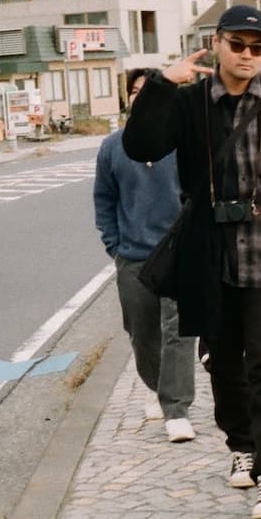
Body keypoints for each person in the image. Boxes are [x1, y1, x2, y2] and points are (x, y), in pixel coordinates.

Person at [124, 5, 261, 519]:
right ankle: (240, 442)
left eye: (257, 48)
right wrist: (159, 84)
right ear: (216, 43)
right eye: (237, 45)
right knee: (222, 362)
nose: (246, 55)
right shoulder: (191, 102)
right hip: (210, 255)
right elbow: (140, 145)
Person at [95, 67, 197, 442]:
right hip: (134, 255)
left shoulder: (183, 141)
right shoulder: (112, 147)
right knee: (141, 333)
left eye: (148, 89)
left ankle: (177, 408)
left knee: (180, 331)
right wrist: (114, 244)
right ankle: (158, 387)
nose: (141, 95)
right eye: (135, 90)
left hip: (181, 251)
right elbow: (104, 200)